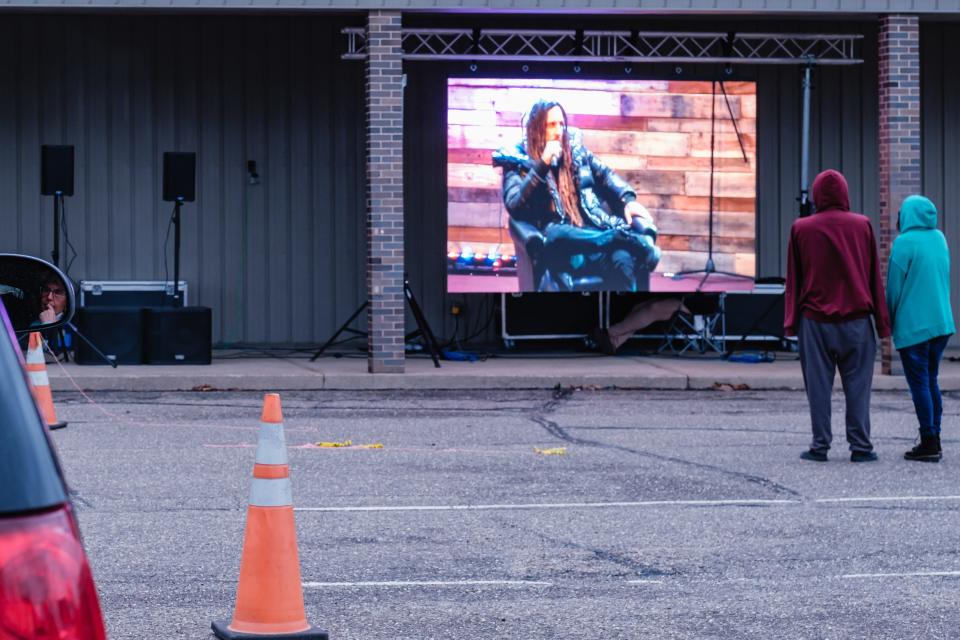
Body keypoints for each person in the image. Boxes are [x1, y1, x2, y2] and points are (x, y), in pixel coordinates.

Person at [492, 99, 660, 292]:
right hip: (560, 241)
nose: (558, 131)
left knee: (622, 258)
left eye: (561, 124)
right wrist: (542, 164)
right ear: (537, 128)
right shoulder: (517, 161)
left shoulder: (576, 152)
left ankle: (621, 311)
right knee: (556, 234)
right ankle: (622, 238)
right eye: (551, 125)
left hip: (590, 234)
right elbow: (514, 204)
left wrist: (627, 200)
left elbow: (606, 175)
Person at [784, 169, 891, 463]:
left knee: (818, 388)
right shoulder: (863, 225)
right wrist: (883, 325)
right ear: (845, 193)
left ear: (817, 195)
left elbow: (795, 279)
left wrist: (791, 323)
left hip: (815, 322)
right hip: (857, 322)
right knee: (858, 388)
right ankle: (861, 447)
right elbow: (874, 279)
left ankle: (820, 446)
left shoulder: (801, 229)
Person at [886, 195, 955, 462]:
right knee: (931, 380)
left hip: (914, 326)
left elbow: (893, 290)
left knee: (919, 384)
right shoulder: (940, 239)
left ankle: (928, 440)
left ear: (907, 216)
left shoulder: (903, 243)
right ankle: (934, 436)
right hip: (941, 323)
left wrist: (890, 321)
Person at [590, 297, 690, 355]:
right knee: (639, 307)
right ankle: (614, 342)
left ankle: (610, 332)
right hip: (681, 300)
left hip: (692, 315)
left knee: (653, 308)